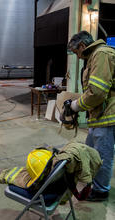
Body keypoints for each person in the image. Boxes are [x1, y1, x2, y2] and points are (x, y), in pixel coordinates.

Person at [67, 30, 115, 201]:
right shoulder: (93, 56)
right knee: (90, 152)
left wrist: (75, 106)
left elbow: (97, 92)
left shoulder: (101, 54)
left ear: (82, 46)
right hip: (98, 115)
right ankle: (94, 183)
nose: (77, 56)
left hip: (107, 116)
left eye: (76, 52)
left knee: (101, 156)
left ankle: (101, 191)